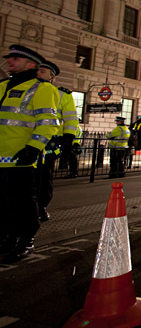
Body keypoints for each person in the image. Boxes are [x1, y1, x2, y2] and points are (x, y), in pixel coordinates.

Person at [0, 45, 59, 263]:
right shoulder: (3, 85)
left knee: (22, 202)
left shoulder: (42, 89)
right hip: (0, 158)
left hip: (20, 158)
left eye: (15, 59)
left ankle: (26, 240)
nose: (9, 62)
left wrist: (33, 148)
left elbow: (48, 123)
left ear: (31, 64)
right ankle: (7, 237)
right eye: (9, 58)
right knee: (3, 204)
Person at [35, 60, 80, 222]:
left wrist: (68, 137)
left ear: (52, 77)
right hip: (22, 141)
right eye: (37, 70)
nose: (38, 74)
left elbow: (70, 118)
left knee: (44, 176)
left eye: (42, 72)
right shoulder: (25, 90)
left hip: (49, 143)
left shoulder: (62, 94)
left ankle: (41, 206)